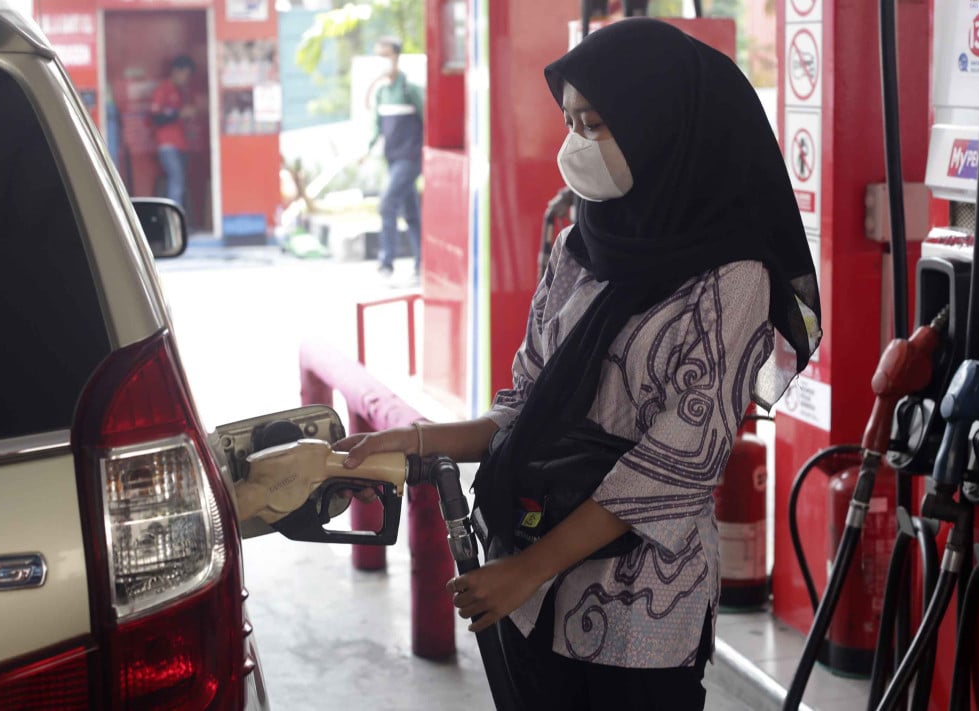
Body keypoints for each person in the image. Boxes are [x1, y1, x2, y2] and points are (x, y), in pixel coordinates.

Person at [335, 18, 821, 711]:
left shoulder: (731, 277)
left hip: (637, 612)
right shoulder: (579, 246)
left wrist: (528, 569)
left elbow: (676, 464)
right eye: (571, 122)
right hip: (531, 593)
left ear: (660, 128)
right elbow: (524, 404)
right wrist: (411, 441)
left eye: (597, 124)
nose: (576, 146)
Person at [363, 37, 424, 279]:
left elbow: (429, 121)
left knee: (387, 203)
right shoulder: (381, 94)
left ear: (397, 56)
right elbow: (375, 127)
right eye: (378, 56)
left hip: (410, 159)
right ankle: (423, 262)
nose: (382, 62)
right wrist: (366, 149)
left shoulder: (410, 89)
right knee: (410, 212)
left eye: (386, 55)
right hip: (392, 159)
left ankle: (386, 263)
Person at [150, 55, 197, 215]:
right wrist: (179, 114)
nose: (186, 78)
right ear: (177, 71)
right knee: (176, 182)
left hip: (181, 145)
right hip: (167, 146)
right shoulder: (163, 89)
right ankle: (174, 222)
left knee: (180, 182)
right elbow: (156, 118)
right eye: (185, 74)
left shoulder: (181, 92)